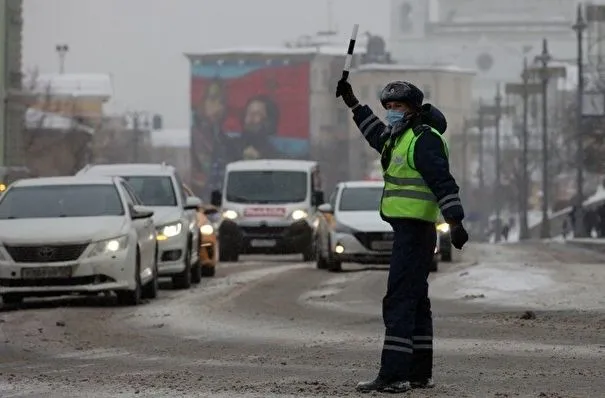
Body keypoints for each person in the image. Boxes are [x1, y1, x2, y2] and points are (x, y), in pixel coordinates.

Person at [336, 79, 469, 393]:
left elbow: (443, 181)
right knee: (416, 301)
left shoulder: (423, 139)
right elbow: (374, 133)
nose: (392, 113)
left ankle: (394, 375)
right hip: (408, 230)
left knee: (398, 301)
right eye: (389, 108)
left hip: (416, 231)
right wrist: (353, 103)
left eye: (398, 107)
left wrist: (455, 221)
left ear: (413, 109)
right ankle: (419, 372)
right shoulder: (399, 136)